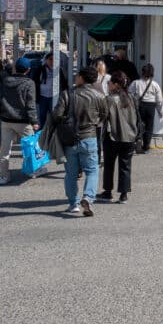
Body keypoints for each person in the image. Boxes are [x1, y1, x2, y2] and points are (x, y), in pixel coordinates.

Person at [53, 66, 108, 216]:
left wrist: (66, 121)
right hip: (89, 137)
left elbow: (56, 114)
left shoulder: (67, 94)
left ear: (82, 78)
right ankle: (88, 198)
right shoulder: (100, 96)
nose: (75, 78)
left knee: (70, 173)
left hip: (69, 139)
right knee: (92, 170)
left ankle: (73, 204)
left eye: (77, 76)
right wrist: (94, 122)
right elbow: (104, 115)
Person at [98, 71, 139, 204]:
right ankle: (123, 195)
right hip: (130, 136)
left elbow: (103, 117)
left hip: (113, 136)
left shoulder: (109, 99)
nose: (108, 85)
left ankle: (108, 192)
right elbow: (138, 117)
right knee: (125, 166)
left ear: (115, 85)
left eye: (109, 83)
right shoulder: (132, 97)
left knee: (109, 165)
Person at [0, 58, 38, 184]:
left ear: (15, 68)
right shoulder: (29, 83)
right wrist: (34, 121)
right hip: (23, 121)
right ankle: (30, 171)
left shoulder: (5, 81)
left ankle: (3, 176)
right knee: (29, 148)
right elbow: (31, 104)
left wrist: (0, 112)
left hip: (6, 119)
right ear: (28, 70)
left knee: (5, 150)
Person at [128, 63, 163, 154]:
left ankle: (137, 140)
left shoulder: (136, 83)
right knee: (149, 127)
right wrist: (161, 112)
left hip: (139, 105)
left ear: (142, 72)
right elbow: (159, 100)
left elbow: (129, 94)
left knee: (137, 124)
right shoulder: (155, 84)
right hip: (151, 106)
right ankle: (146, 147)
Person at [32, 53, 67, 128]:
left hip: (54, 96)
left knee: (54, 115)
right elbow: (34, 81)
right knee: (42, 115)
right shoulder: (40, 69)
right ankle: (42, 130)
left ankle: (52, 130)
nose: (52, 61)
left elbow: (64, 83)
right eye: (50, 59)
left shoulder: (58, 70)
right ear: (46, 60)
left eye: (54, 59)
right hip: (42, 96)